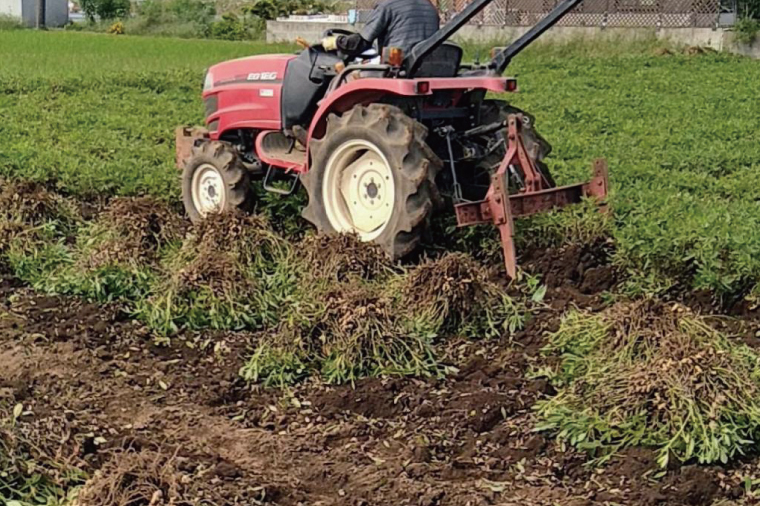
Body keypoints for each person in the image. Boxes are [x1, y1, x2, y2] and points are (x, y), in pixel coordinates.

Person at [321, 0, 440, 58]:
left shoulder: (388, 5)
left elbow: (361, 43)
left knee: (345, 79)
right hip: (427, 68)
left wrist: (335, 42)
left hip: (399, 68)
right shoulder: (430, 7)